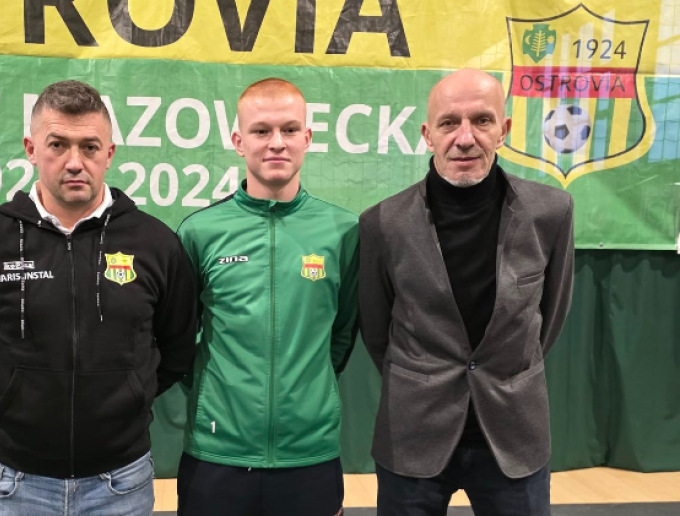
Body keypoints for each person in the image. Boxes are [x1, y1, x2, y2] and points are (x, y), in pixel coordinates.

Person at [0, 80, 198, 516]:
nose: (75, 162)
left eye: (89, 147)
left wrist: (130, 393)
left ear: (109, 154)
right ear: (31, 148)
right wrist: (13, 395)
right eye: (58, 145)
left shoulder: (155, 243)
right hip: (16, 482)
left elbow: (176, 349)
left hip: (121, 482)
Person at [358, 69, 575, 515]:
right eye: (449, 123)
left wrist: (507, 373)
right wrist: (423, 380)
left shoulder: (551, 212)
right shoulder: (382, 223)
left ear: (503, 130)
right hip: (413, 436)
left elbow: (550, 316)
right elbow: (377, 331)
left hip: (514, 437)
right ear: (427, 135)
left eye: (482, 120)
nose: (465, 138)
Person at [175, 78, 359, 516]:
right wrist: (218, 400)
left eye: (289, 129)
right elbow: (177, 341)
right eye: (261, 131)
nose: (276, 142)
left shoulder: (344, 231)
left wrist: (305, 399)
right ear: (239, 141)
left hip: (310, 456)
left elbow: (343, 333)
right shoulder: (199, 232)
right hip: (216, 455)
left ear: (307, 138)